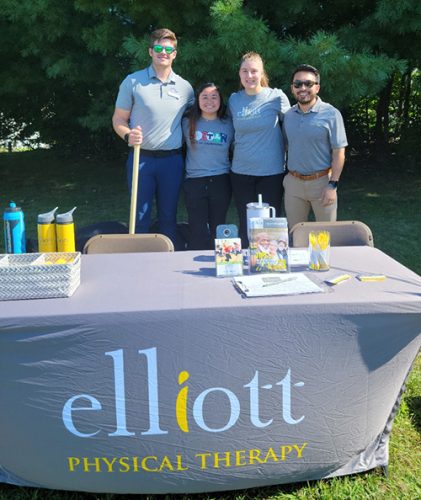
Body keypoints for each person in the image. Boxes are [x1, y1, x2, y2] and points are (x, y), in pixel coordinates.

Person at [112, 28, 194, 245]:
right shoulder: (133, 82)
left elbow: (195, 121)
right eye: (158, 48)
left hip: (172, 161)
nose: (163, 52)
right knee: (139, 216)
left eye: (169, 49)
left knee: (169, 216)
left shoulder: (185, 88)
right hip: (142, 160)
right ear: (150, 51)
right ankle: (140, 264)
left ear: (175, 54)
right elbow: (118, 119)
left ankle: (168, 264)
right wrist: (128, 135)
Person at [228, 52, 290, 247]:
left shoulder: (276, 96)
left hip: (271, 172)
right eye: (245, 71)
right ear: (239, 74)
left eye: (254, 71)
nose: (249, 76)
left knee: (269, 223)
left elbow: (294, 128)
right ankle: (247, 261)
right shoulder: (234, 100)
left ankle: (269, 263)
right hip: (241, 172)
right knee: (246, 221)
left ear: (262, 73)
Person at [283, 64, 348, 229]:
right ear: (292, 88)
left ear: (317, 87)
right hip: (293, 184)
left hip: (322, 183)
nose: (302, 88)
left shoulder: (332, 114)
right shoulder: (288, 116)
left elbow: (339, 152)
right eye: (298, 84)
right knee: (295, 235)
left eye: (308, 84)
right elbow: (286, 146)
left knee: (326, 236)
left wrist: (332, 185)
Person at [182, 83, 234, 250]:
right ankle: (193, 264)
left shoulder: (229, 124)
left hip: (221, 181)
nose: (209, 101)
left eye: (214, 97)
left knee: (218, 226)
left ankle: (218, 263)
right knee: (197, 228)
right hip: (195, 181)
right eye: (204, 97)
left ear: (220, 101)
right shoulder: (186, 122)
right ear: (197, 100)